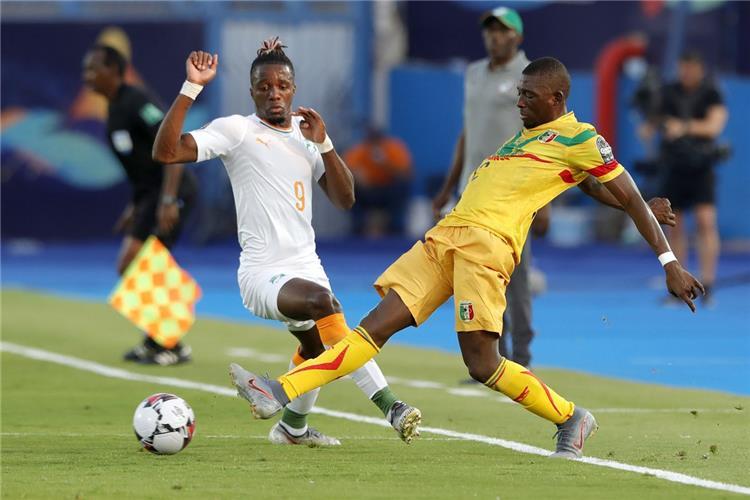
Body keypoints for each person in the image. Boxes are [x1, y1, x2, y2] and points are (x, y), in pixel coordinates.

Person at [228, 57, 703, 459]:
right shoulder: (527, 137)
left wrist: (669, 262)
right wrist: (630, 203)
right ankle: (280, 390)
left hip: (487, 247)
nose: (519, 101)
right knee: (373, 327)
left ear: (557, 98)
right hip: (447, 237)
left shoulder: (580, 137)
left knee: (482, 363)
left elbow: (623, 191)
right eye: (518, 93)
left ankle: (571, 417)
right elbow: (591, 185)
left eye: (528, 95)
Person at [152, 39, 421, 446]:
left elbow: (346, 199)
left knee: (317, 352)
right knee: (324, 305)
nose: (274, 93)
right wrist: (192, 87)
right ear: (252, 91)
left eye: (282, 86)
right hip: (263, 275)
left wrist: (325, 144)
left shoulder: (306, 134)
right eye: (264, 87)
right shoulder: (237, 130)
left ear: (294, 89)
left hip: (307, 268)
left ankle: (292, 427)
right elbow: (166, 151)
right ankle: (391, 406)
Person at [433, 6, 542, 368]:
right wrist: (449, 187)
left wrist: (544, 200)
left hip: (513, 193)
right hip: (473, 190)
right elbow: (468, 132)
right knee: (478, 276)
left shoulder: (530, 76)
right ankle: (495, 358)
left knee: (516, 276)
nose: (495, 37)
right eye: (490, 31)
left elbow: (540, 138)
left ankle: (522, 356)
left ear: (517, 37)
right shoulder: (474, 73)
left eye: (502, 31)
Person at [82, 44, 197, 366]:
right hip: (150, 195)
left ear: (114, 70)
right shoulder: (115, 108)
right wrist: (135, 206)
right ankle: (158, 339)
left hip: (171, 190)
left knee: (138, 263)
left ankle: (170, 343)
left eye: (93, 68)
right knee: (136, 265)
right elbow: (139, 167)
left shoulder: (137, 101)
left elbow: (172, 146)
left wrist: (169, 200)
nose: (87, 75)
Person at [655, 52, 729, 305]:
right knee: (674, 225)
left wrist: (683, 127)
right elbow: (656, 123)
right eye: (682, 68)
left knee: (705, 222)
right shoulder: (668, 92)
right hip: (674, 166)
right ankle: (680, 286)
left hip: (701, 167)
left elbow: (714, 126)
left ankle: (708, 284)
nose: (686, 73)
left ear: (699, 68)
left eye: (690, 68)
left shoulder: (712, 93)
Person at [344, 126, 412, 237]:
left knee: (401, 187)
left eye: (378, 140)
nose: (375, 144)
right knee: (349, 189)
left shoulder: (393, 148)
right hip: (367, 191)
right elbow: (346, 171)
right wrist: (355, 176)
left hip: (388, 190)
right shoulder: (360, 150)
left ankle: (396, 228)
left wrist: (386, 164)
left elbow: (406, 174)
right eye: (372, 140)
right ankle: (357, 228)